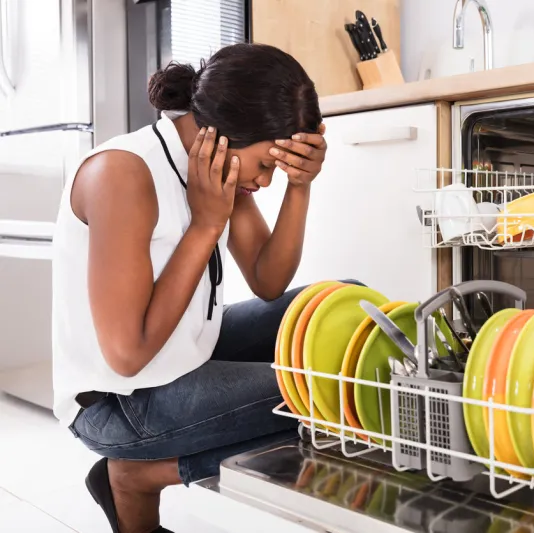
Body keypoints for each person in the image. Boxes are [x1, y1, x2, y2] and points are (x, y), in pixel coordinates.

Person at [52, 43, 339, 533]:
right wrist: (206, 225)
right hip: (121, 401)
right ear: (221, 134)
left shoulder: (214, 161)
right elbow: (127, 356)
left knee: (335, 304)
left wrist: (300, 186)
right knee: (328, 392)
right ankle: (137, 475)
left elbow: (269, 280)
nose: (266, 182)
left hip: (186, 352)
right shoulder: (121, 175)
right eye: (266, 166)